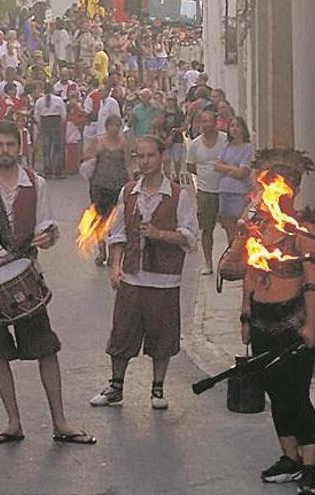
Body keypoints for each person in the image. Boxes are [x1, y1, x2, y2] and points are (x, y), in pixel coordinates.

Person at [0, 120, 96, 446]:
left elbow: (50, 228)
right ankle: (12, 421)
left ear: (20, 147)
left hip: (22, 278)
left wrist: (47, 237)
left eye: (10, 145)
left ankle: (60, 420)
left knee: (46, 348)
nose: (4, 151)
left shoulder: (35, 183)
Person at [90, 135, 197, 410]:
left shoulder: (177, 195)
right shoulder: (128, 193)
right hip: (133, 276)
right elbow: (118, 234)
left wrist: (160, 234)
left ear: (161, 157)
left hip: (165, 279)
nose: (146, 161)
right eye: (140, 156)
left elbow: (189, 237)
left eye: (151, 155)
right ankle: (116, 386)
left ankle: (158, 389)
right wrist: (115, 267)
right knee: (122, 333)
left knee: (162, 337)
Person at [240, 148, 315, 495]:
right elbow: (248, 272)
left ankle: (310, 465)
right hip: (263, 318)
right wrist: (245, 315)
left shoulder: (305, 228)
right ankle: (288, 458)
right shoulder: (259, 225)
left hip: (293, 318)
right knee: (275, 390)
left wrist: (310, 324)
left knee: (297, 392)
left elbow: (314, 280)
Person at [83, 114, 134, 266]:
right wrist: (92, 155)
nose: (114, 129)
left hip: (118, 185)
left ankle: (113, 252)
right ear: (107, 127)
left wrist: (132, 182)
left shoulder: (123, 144)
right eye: (112, 125)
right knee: (99, 218)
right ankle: (101, 250)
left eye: (117, 126)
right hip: (99, 185)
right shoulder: (99, 142)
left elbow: (128, 164)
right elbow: (86, 157)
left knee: (116, 221)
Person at [186, 110, 228, 275]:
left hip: (225, 191)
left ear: (216, 122)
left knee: (231, 227)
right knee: (206, 229)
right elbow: (191, 166)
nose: (207, 125)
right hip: (205, 192)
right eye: (203, 122)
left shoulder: (225, 140)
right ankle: (208, 263)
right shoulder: (195, 145)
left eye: (209, 121)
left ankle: (230, 262)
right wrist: (205, 176)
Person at [214, 116, 254, 241]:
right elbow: (216, 166)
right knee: (228, 226)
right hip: (224, 191)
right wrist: (233, 168)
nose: (235, 128)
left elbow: (242, 173)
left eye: (237, 125)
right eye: (232, 126)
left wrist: (225, 168)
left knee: (240, 226)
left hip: (240, 193)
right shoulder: (226, 146)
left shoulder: (247, 148)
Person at [33, 83, 68, 179]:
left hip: (45, 122)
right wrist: (61, 123)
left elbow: (36, 114)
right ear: (52, 89)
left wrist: (40, 124)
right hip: (55, 121)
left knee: (46, 148)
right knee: (57, 148)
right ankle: (57, 171)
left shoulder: (39, 101)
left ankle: (47, 170)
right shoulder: (59, 100)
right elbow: (63, 114)